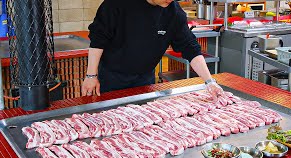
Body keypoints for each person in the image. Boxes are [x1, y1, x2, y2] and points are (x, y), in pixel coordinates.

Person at [82, 0, 224, 102]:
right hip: (113, 78)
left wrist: (209, 81)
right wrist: (91, 75)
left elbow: (190, 47)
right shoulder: (117, 4)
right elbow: (98, 38)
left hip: (146, 79)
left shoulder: (173, 12)